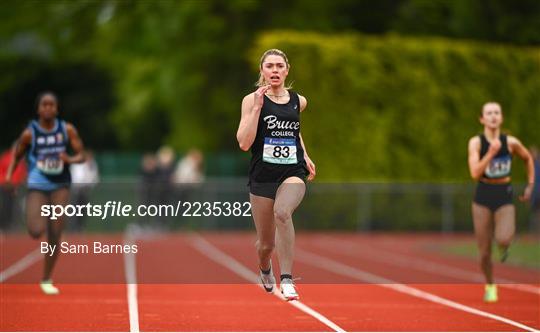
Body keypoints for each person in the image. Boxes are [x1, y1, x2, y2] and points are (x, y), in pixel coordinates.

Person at [236, 49, 316, 301]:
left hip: (292, 173)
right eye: (269, 66)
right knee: (265, 245)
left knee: (283, 212)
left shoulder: (298, 101)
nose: (274, 70)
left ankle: (288, 280)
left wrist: (304, 154)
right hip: (262, 177)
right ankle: (264, 267)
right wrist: (258, 109)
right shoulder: (251, 100)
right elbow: (244, 143)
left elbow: (294, 131)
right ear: (262, 71)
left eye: (279, 66)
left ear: (287, 70)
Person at [5, 91, 85, 294]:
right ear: (38, 109)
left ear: (57, 109)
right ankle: (43, 219)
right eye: (44, 105)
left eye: (52, 105)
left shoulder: (67, 130)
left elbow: (82, 155)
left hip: (60, 185)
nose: (48, 108)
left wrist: (69, 159)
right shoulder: (29, 133)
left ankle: (46, 278)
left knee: (55, 233)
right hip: (37, 184)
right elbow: (17, 156)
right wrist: (9, 178)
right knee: (35, 230)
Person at [467, 101, 534, 303]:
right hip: (483, 195)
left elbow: (528, 158)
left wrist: (530, 185)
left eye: (497, 112)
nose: (493, 116)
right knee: (484, 252)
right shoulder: (476, 143)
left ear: (502, 118)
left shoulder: (511, 142)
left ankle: (504, 246)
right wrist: (491, 153)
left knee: (504, 238)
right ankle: (490, 284)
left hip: (504, 192)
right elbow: (474, 173)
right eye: (489, 113)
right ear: (482, 119)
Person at [70, 150, 99, 231]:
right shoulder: (77, 164)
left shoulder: (93, 165)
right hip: (76, 190)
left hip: (85, 190)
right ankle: (74, 228)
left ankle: (81, 227)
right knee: (75, 210)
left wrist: (90, 185)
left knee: (83, 210)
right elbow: (74, 176)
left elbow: (95, 178)